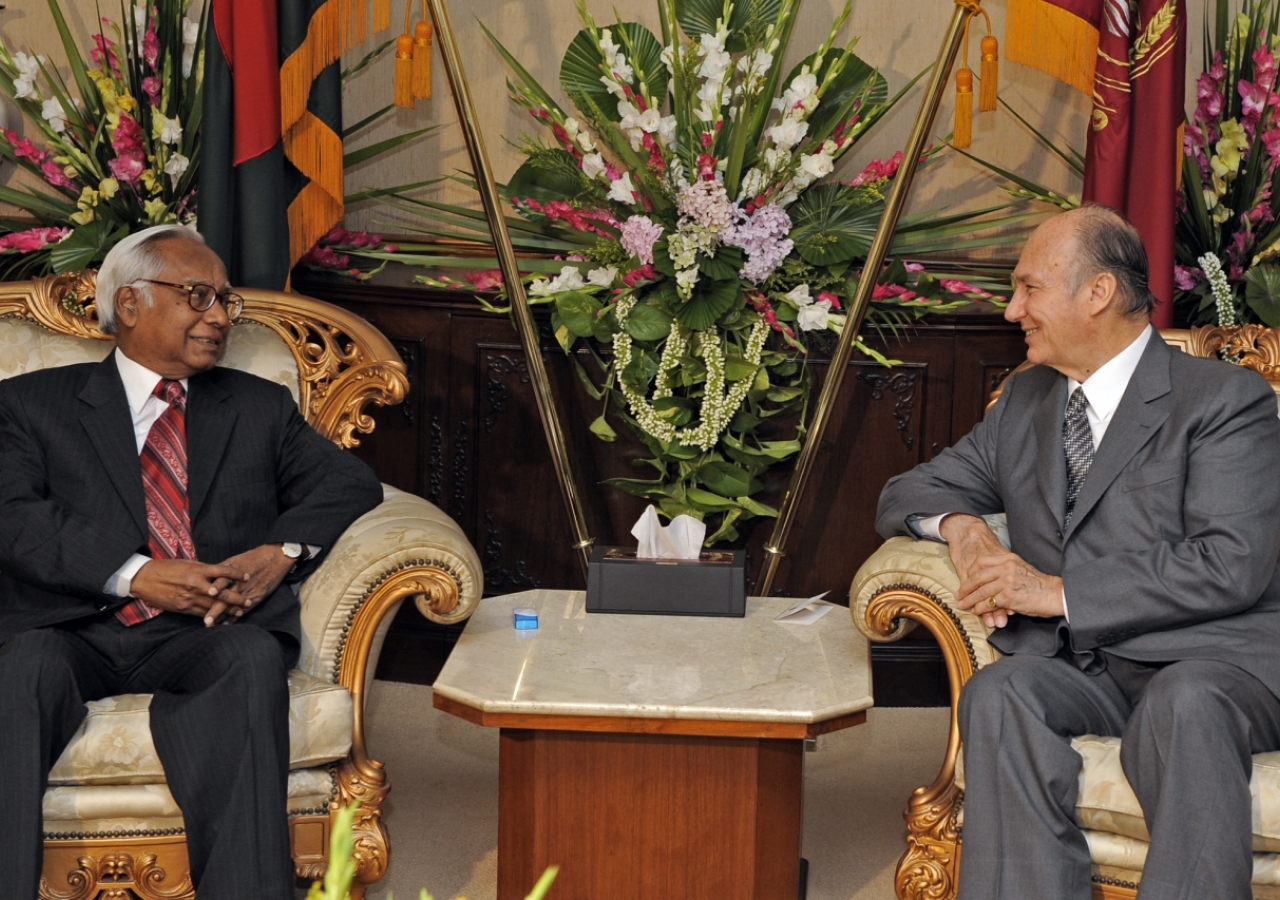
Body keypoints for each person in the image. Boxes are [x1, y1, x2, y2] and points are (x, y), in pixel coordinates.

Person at [876, 204, 1280, 900]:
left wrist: (1056, 593)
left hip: (1215, 664)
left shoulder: (1222, 399)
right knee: (1001, 692)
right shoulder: (1027, 401)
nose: (1012, 311)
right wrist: (963, 530)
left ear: (1097, 293)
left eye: (1029, 288)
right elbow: (906, 490)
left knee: (1182, 701)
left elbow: (1230, 563)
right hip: (1086, 669)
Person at [0, 225, 384, 899]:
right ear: (129, 305)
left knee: (250, 660)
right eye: (198, 296)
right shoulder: (32, 405)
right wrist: (137, 574)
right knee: (21, 668)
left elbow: (347, 484)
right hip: (70, 626)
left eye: (225, 302)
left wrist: (281, 552)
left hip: (205, 631)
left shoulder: (258, 406)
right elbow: (15, 519)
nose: (218, 317)